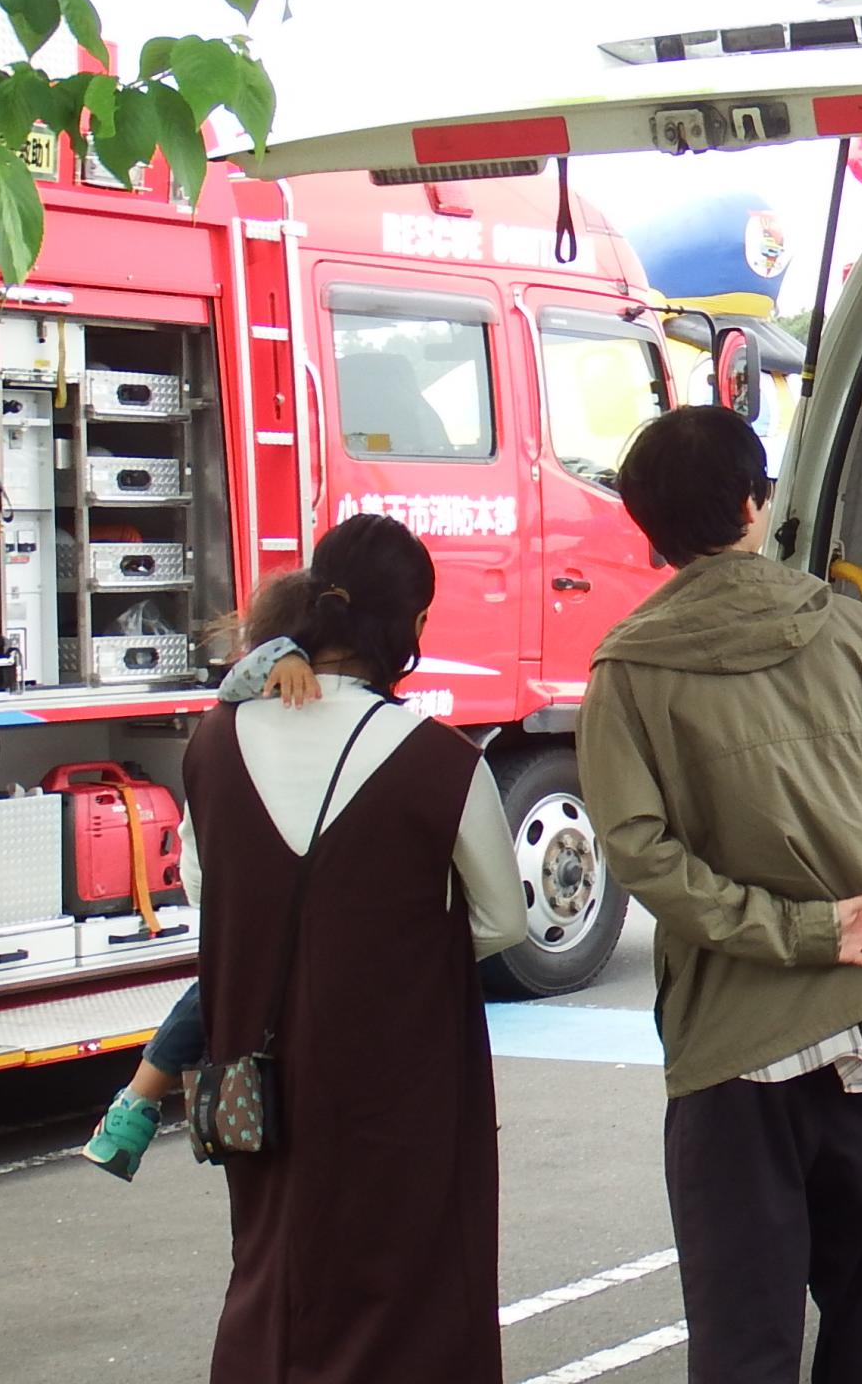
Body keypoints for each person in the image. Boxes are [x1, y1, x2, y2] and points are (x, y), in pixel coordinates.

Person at [577, 405, 862, 1384]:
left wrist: (794, 930)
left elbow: (640, 854)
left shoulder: (628, 668)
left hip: (731, 1046)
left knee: (743, 1338)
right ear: (757, 503)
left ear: (647, 526)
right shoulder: (855, 634)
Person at [185, 514, 527, 1383]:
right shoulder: (442, 762)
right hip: (400, 1086)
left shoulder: (215, 742)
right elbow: (502, 921)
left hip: (258, 1075)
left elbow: (204, 890)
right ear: (413, 624)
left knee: (273, 1269)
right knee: (413, 1284)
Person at [80, 644, 323, 1180]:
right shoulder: (274, 676)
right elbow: (234, 683)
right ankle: (135, 1105)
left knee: (222, 982)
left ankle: (134, 1105)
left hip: (253, 877)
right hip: (271, 878)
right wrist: (283, 656)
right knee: (226, 982)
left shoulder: (244, 731)